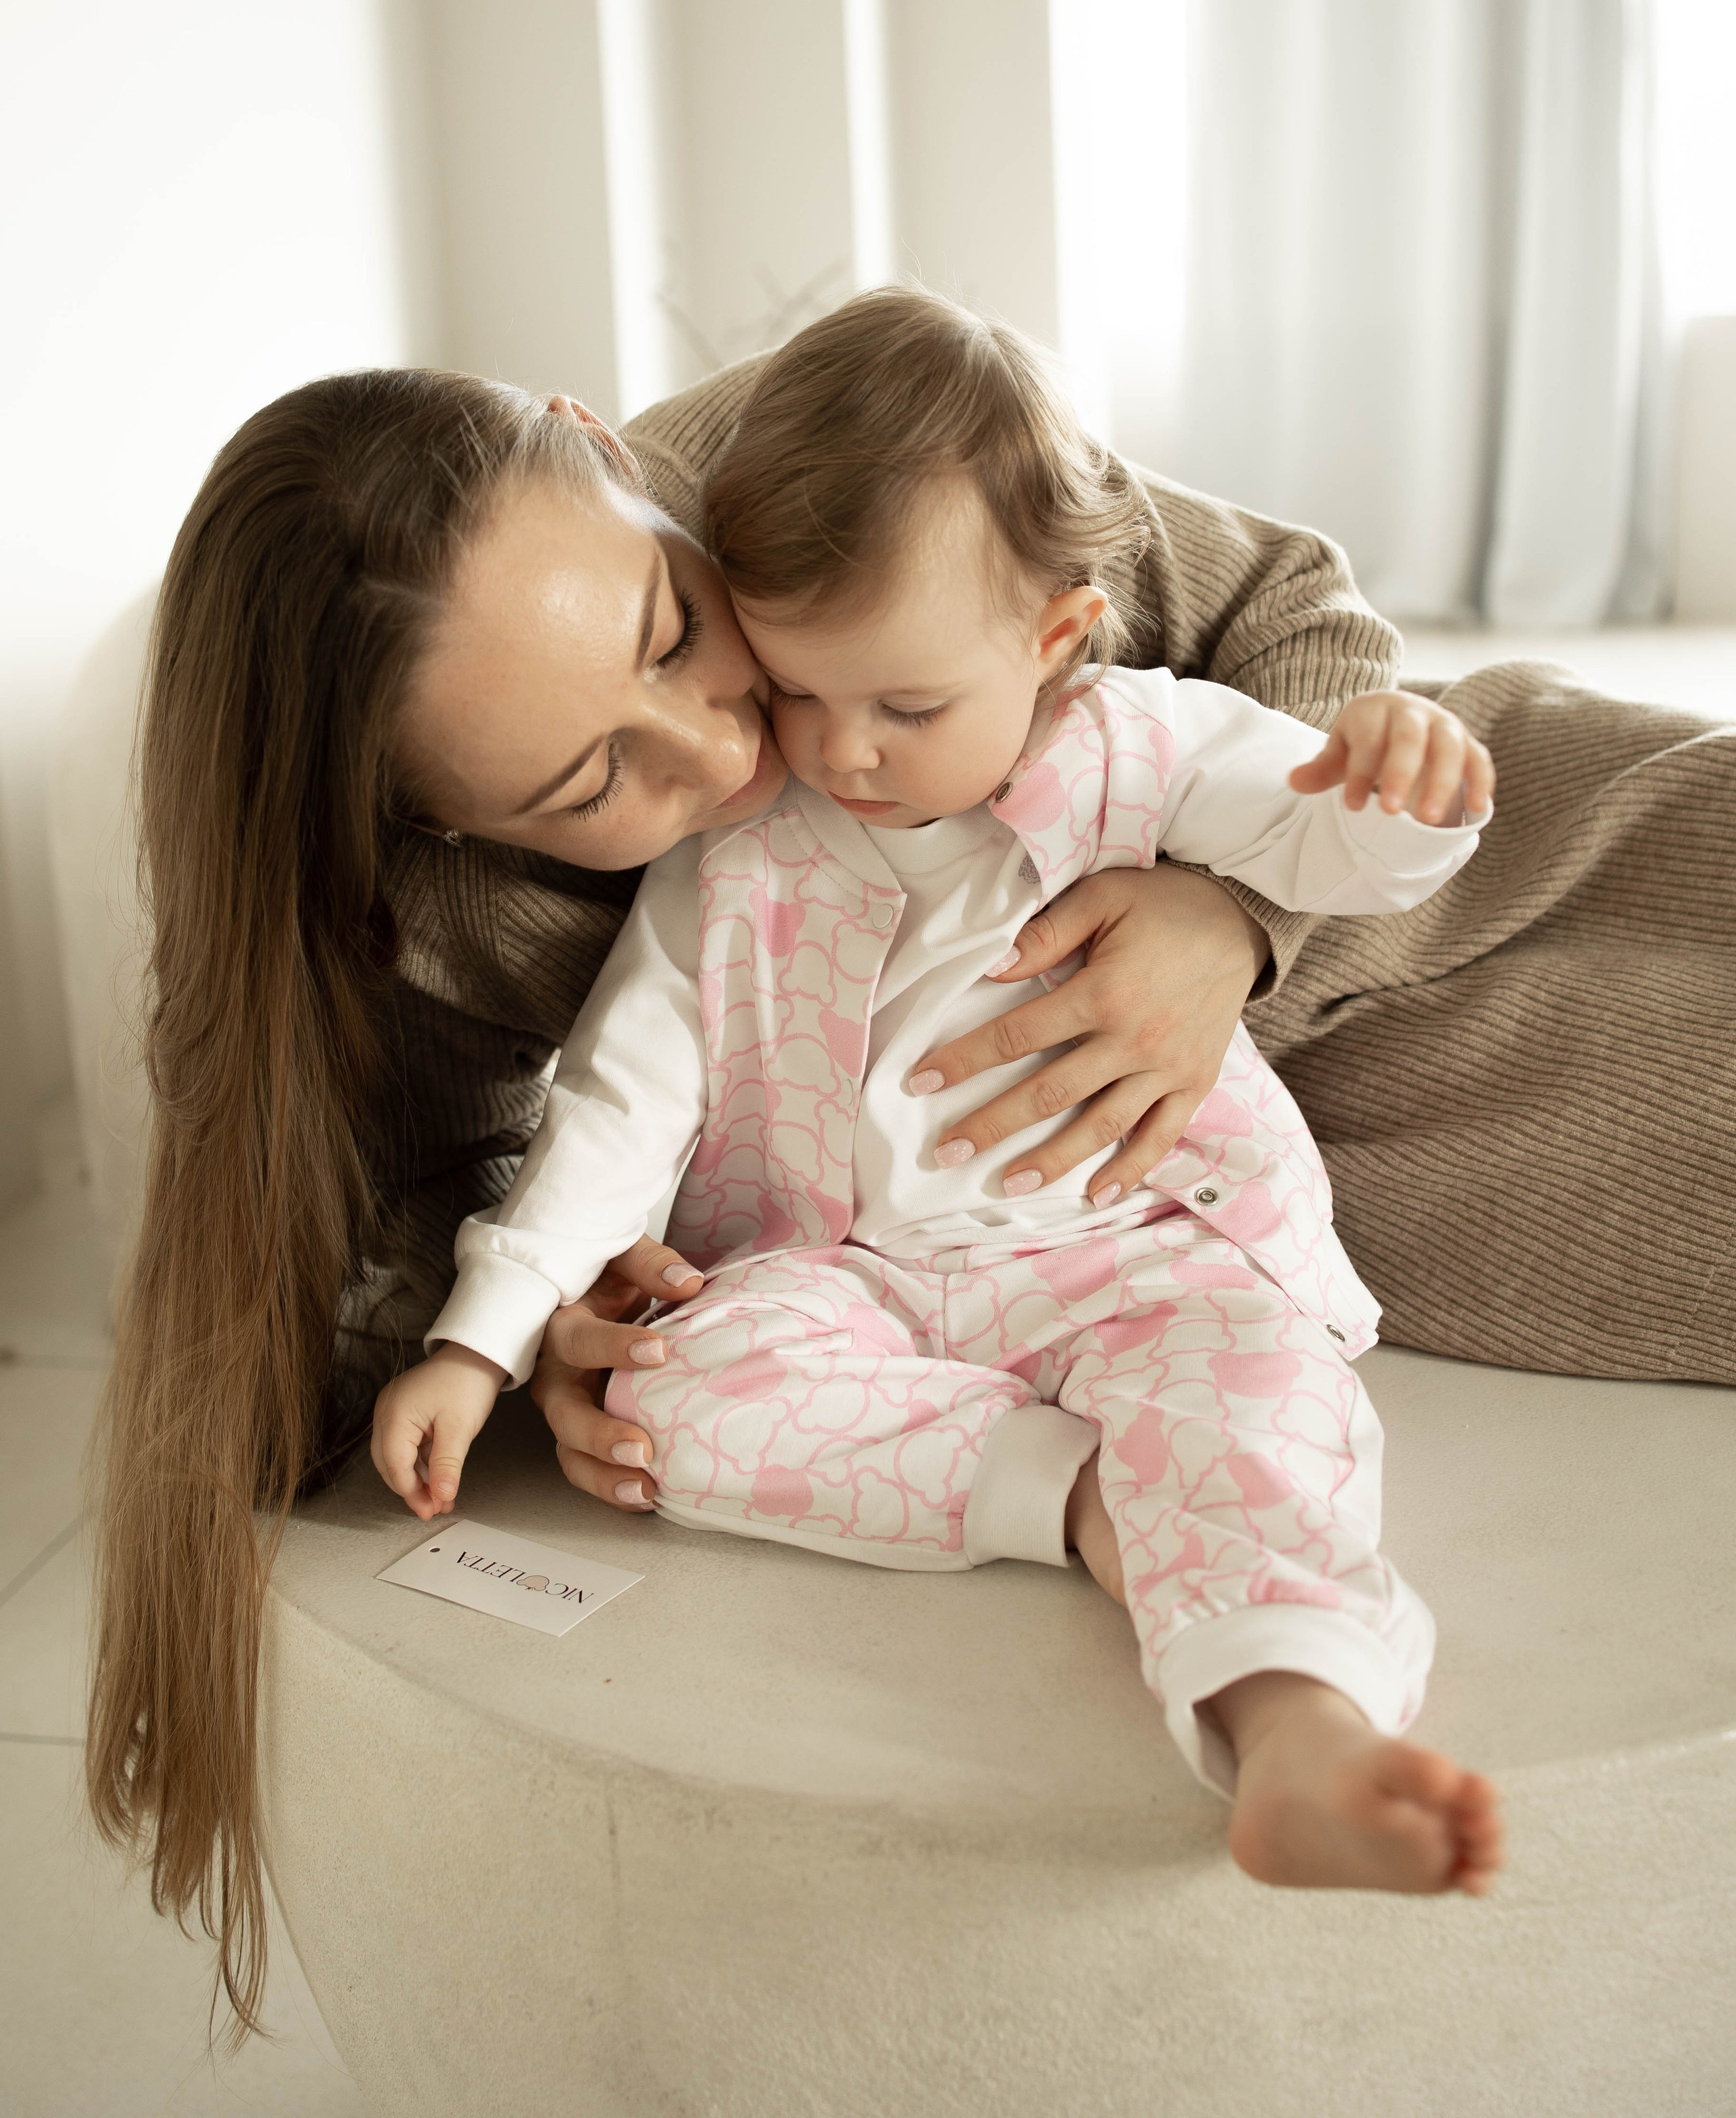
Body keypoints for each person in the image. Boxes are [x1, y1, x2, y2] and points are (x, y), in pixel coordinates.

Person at [87, 300, 1731, 2026]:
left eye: (675, 635)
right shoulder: (449, 920)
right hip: (1075, 1205)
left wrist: (1227, 919)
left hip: (1360, 922)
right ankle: (1229, 1632)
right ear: (435, 823)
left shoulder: (837, 461)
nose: (738, 756)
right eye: (593, 784)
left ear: (596, 447)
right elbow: (429, 1228)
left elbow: (1292, 628)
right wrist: (525, 1323)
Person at [371, 290, 1504, 1896]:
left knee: (1253, 1389)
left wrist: (1398, 789)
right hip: (841, 1277)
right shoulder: (723, 857)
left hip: (1134, 1240)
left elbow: (1318, 836)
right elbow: (617, 1109)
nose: (835, 754)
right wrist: (478, 1342)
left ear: (1052, 638)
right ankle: (1083, 1492)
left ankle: (1296, 1721)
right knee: (664, 1398)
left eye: (905, 708)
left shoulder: (1138, 743)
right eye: (797, 687)